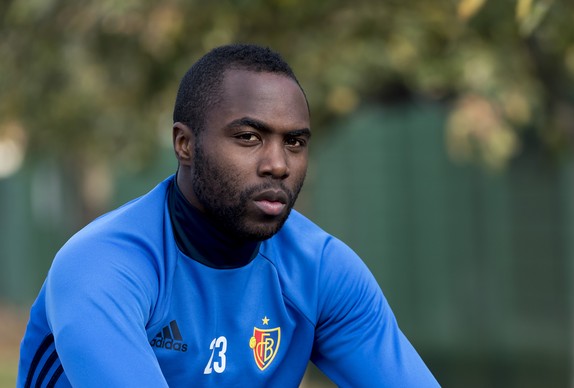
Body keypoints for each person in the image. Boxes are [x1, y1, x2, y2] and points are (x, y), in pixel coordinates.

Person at [18, 43, 439, 387]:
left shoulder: (322, 270)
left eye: (294, 142)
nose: (278, 164)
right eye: (248, 137)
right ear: (185, 144)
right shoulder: (103, 266)